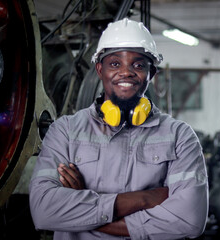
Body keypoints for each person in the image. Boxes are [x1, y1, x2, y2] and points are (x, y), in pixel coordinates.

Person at [29, 18, 208, 240]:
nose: (126, 72)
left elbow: (189, 220)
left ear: (151, 74)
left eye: (138, 65)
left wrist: (81, 213)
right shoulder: (65, 131)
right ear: (99, 69)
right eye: (115, 64)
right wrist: (143, 198)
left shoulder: (179, 135)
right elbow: (43, 211)